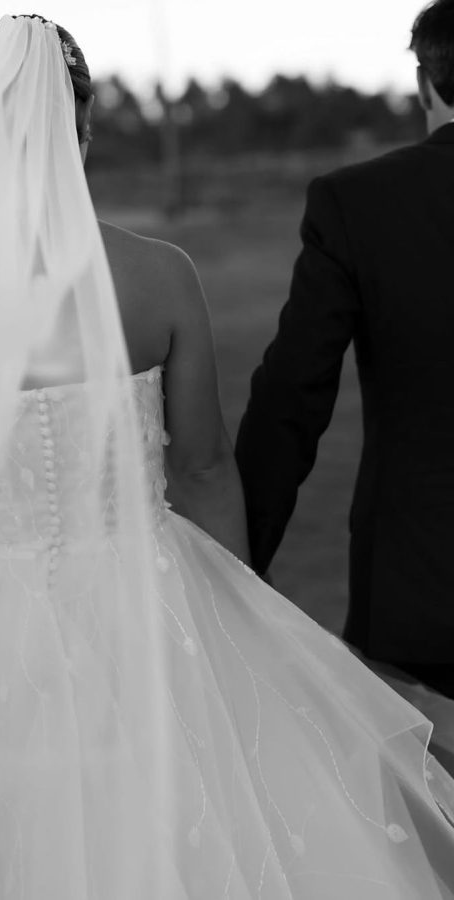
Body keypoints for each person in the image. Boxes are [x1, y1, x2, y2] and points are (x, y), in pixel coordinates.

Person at [0, 7, 454, 899]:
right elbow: (206, 467)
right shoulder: (159, 273)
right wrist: (248, 629)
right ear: (84, 128)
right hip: (148, 604)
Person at [236, 0, 454, 705]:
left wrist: (240, 560)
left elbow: (293, 398)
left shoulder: (358, 204)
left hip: (423, 596)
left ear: (426, 83)